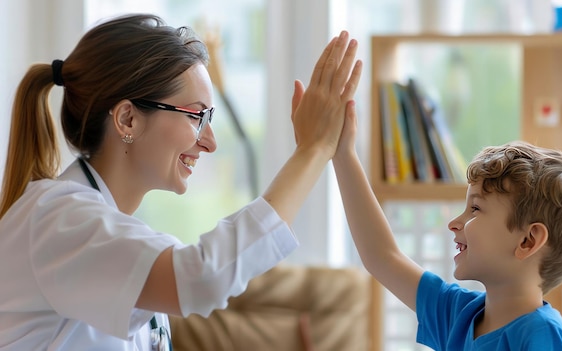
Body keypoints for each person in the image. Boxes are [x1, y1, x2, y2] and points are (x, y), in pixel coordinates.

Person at [0, 13, 362, 350]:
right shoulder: (58, 217)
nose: (210, 141)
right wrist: (311, 152)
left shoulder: (100, 226)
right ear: (127, 119)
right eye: (196, 116)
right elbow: (202, 277)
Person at [330, 102, 562, 350]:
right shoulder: (459, 314)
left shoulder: (543, 337)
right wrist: (342, 153)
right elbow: (383, 257)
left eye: (475, 209)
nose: (455, 223)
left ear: (528, 241)